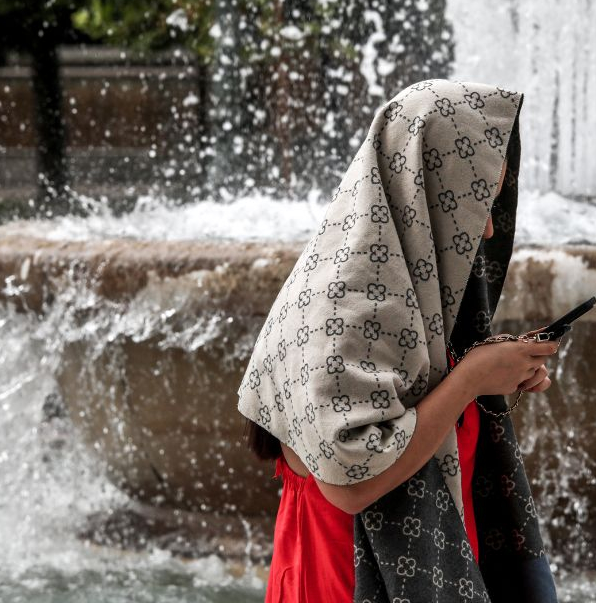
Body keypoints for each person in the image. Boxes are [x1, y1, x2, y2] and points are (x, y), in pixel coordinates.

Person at [237, 78, 558, 602]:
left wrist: (497, 369)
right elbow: (350, 483)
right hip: (340, 581)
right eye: (477, 207)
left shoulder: (418, 297)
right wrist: (473, 378)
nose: (489, 232)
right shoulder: (342, 308)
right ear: (427, 186)